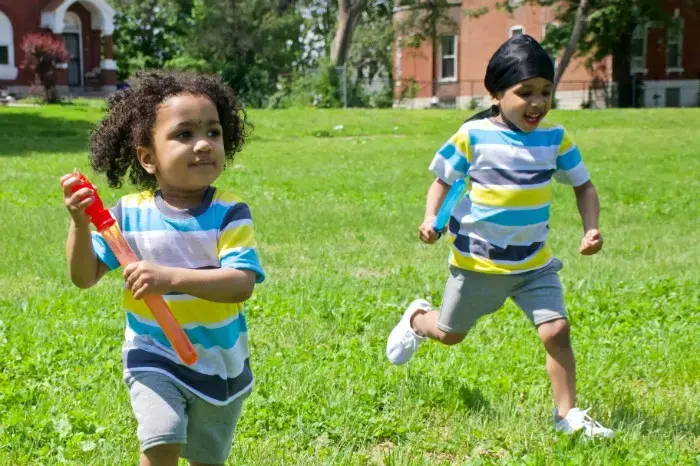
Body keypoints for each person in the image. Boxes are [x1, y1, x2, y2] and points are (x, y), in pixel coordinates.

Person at [385, 35, 613, 439]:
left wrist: (590, 226)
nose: (538, 103)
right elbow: (441, 182)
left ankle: (568, 416)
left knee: (556, 331)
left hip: (533, 264)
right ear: (495, 94)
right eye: (525, 93)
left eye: (546, 92)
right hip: (478, 264)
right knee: (450, 335)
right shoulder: (473, 137)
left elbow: (585, 186)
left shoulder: (555, 139)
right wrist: (429, 219)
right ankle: (418, 319)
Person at [61, 70, 265, 465]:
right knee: (162, 438)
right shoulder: (128, 215)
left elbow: (240, 284)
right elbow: (84, 277)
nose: (203, 144)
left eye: (213, 132)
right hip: (152, 355)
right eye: (184, 135)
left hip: (217, 364)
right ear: (148, 158)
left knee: (207, 458)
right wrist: (79, 224)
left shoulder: (230, 213)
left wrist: (169, 277)